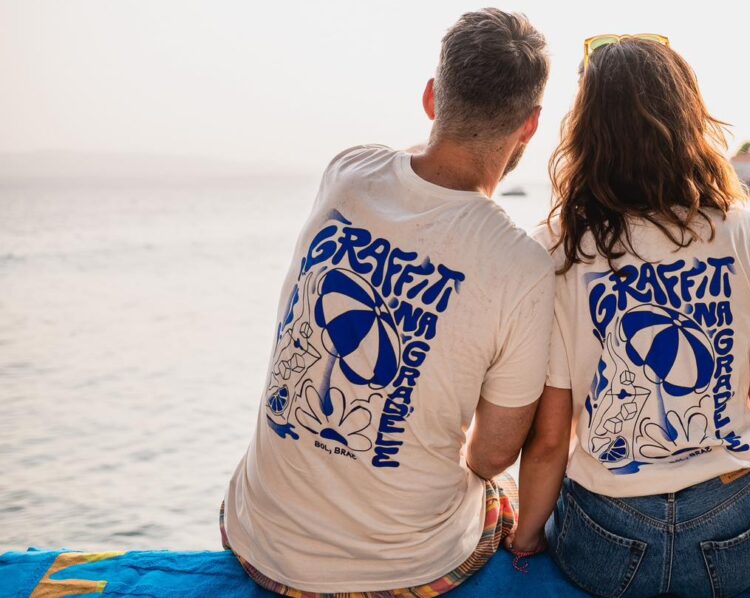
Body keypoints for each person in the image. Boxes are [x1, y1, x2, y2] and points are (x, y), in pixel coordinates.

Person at [221, 9, 554, 596]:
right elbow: (490, 454)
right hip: (400, 570)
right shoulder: (521, 265)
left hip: (257, 538)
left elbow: (411, 172)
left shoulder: (347, 172)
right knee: (503, 497)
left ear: (431, 97)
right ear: (529, 126)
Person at [510, 35, 750, 597]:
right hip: (735, 534)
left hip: (607, 540)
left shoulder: (557, 248)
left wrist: (528, 536)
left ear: (586, 129)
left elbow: (551, 437)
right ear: (687, 118)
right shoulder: (740, 231)